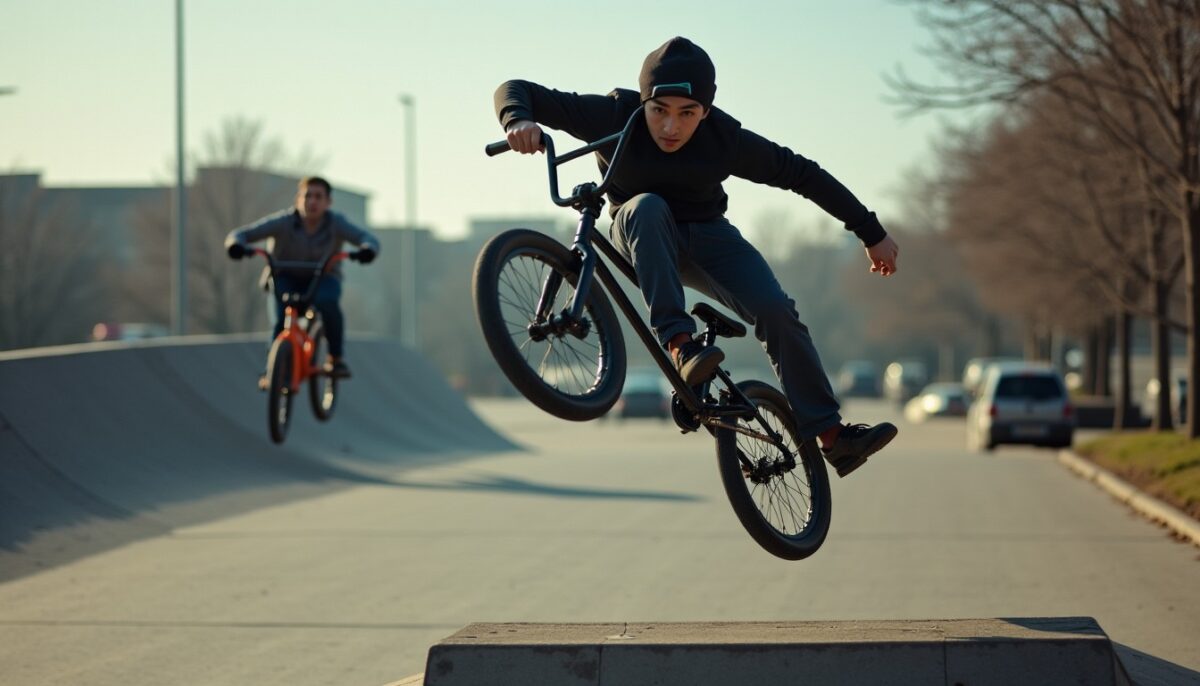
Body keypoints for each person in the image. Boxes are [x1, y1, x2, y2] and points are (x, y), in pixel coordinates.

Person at [494, 37, 899, 477]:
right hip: (643, 234)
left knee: (777, 310)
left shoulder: (723, 140)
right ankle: (680, 344)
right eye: (659, 110)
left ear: (705, 111)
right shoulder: (611, 115)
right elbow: (516, 89)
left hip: (710, 240)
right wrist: (517, 119)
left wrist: (870, 232)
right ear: (643, 102)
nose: (671, 127)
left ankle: (833, 437)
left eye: (687, 114)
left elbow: (801, 173)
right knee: (647, 205)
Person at [224, 176, 380, 386]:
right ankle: (272, 371)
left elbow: (368, 239)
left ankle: (335, 358)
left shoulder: (336, 224)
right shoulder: (283, 222)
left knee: (328, 303)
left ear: (328, 202)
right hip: (284, 277)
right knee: (280, 321)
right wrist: (236, 245)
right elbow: (242, 234)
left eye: (318, 197)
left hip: (323, 278)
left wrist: (367, 251)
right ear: (298, 199)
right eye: (307, 196)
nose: (312, 202)